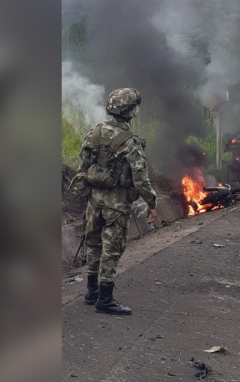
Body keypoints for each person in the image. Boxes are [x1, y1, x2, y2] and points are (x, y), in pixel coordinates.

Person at [77, 88, 157, 315]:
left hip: (94, 203)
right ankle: (106, 298)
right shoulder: (130, 142)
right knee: (112, 250)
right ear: (131, 111)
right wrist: (152, 204)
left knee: (93, 244)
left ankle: (91, 291)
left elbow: (82, 166)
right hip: (117, 205)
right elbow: (141, 178)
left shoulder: (95, 133)